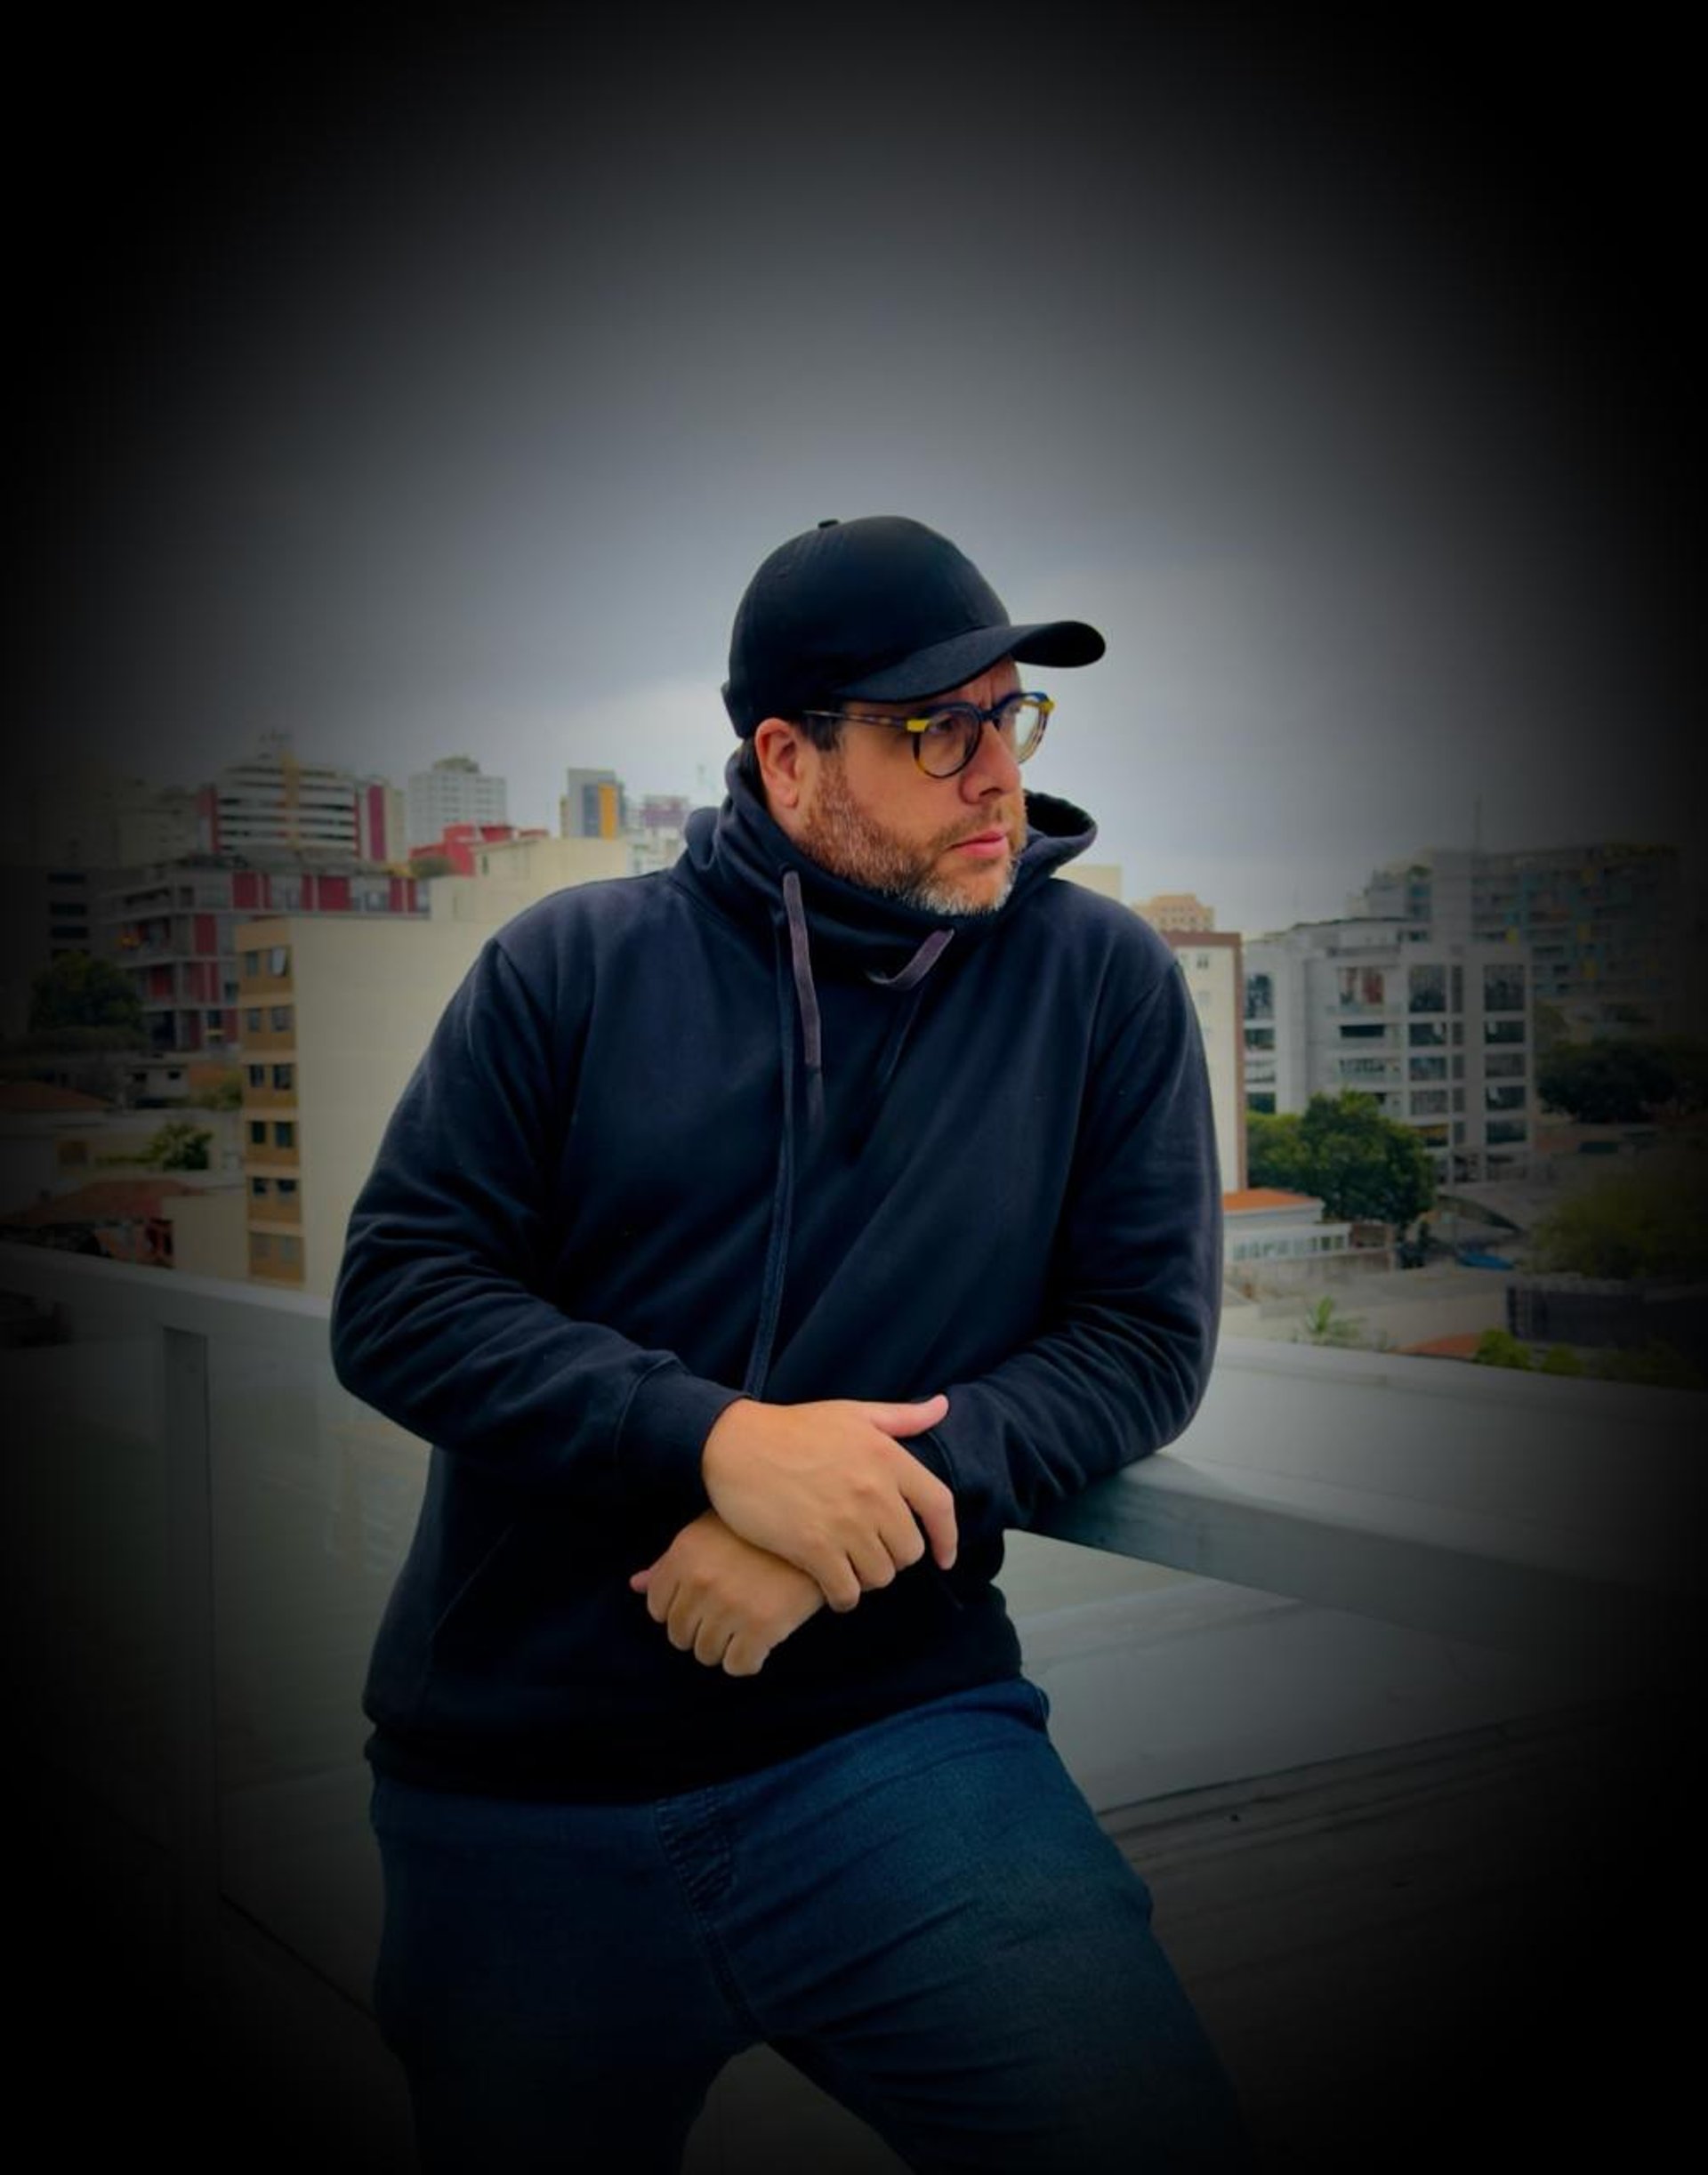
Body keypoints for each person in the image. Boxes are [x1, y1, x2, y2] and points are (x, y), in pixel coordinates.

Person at [330, 513, 1248, 2171]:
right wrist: (716, 1441)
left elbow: (1140, 1338)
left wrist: (833, 1527)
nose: (996, 771)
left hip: (895, 1742)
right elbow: (402, 1293)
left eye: (1010, 716)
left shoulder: (1098, 979)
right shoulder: (570, 965)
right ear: (788, 758)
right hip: (521, 1783)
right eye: (937, 729)